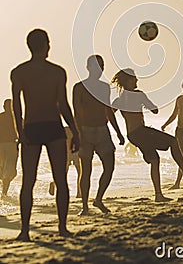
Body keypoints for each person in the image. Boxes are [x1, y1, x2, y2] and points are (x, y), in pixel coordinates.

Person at [11, 29, 80, 241]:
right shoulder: (57, 72)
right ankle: (62, 227)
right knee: (60, 179)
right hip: (53, 127)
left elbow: (17, 106)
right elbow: (63, 105)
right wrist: (75, 131)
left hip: (32, 127)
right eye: (48, 43)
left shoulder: (19, 72)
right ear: (45, 45)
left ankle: (24, 231)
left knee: (28, 181)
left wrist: (20, 133)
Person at [111, 68, 183, 202]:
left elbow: (108, 115)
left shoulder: (119, 100)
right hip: (141, 131)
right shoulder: (138, 94)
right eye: (135, 78)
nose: (137, 80)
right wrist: (145, 103)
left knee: (155, 160)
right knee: (172, 141)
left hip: (132, 135)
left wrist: (119, 133)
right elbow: (155, 110)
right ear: (129, 80)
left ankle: (159, 195)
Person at [73, 55, 124, 216]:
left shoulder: (104, 87)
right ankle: (85, 206)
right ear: (88, 67)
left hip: (102, 130)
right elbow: (76, 112)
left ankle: (98, 199)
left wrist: (118, 132)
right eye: (97, 66)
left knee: (109, 167)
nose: (100, 69)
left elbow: (107, 110)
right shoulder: (79, 87)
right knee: (85, 171)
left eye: (102, 66)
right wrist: (77, 134)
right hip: (85, 131)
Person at [49, 126, 82, 198]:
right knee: (79, 172)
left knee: (65, 173)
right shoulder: (76, 129)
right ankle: (79, 192)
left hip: (68, 152)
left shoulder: (65, 129)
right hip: (72, 152)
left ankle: (54, 183)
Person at [0, 99, 18, 197]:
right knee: (11, 171)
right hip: (10, 145)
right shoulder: (16, 118)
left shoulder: (1, 117)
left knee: (4, 170)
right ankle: (4, 192)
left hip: (3, 145)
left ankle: (3, 191)